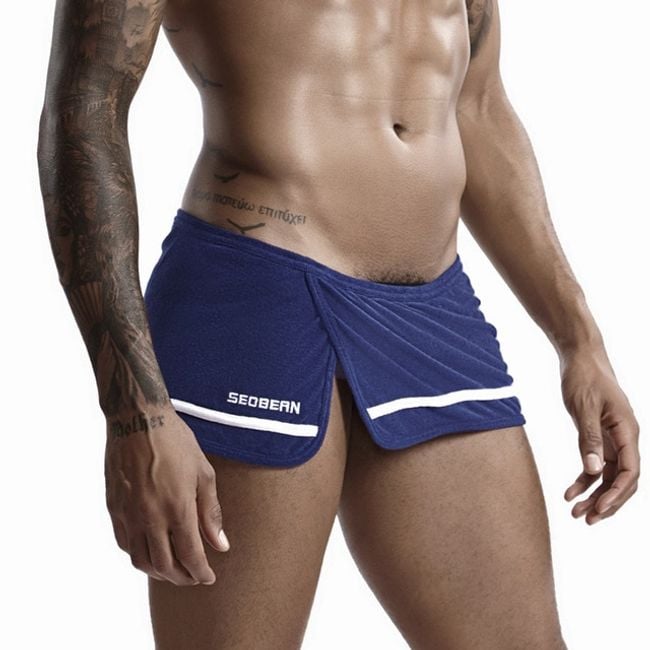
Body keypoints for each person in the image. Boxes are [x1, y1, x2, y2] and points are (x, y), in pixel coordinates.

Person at [37, 1, 640, 648]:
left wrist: (579, 339)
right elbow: (85, 111)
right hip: (259, 292)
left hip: (431, 311)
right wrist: (137, 412)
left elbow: (478, 105)